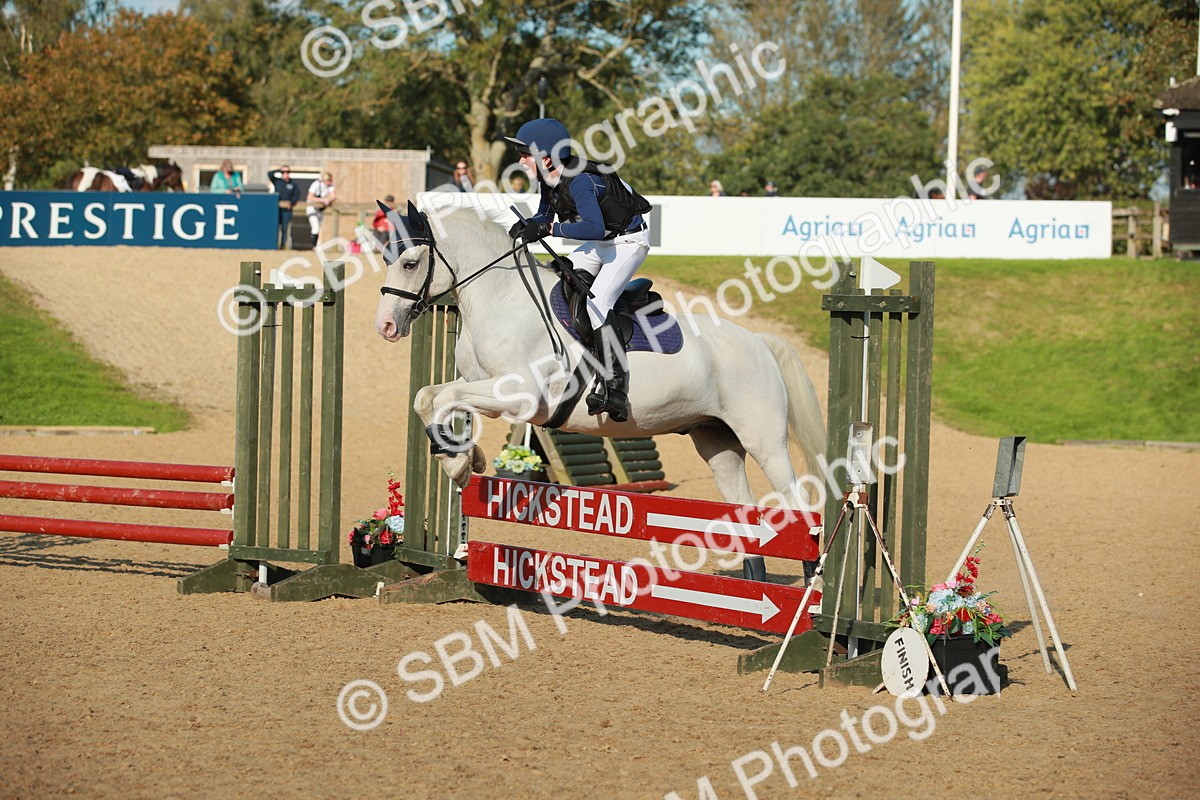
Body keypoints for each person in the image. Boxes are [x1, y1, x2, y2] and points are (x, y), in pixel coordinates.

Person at [504, 117, 652, 422]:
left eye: (524, 154)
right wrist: (531, 225)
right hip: (604, 243)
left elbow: (594, 228)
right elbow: (545, 214)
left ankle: (616, 389)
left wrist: (550, 229)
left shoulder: (581, 181)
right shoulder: (549, 178)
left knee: (598, 302)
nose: (520, 160)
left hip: (627, 243)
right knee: (566, 281)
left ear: (545, 158)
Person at [268, 165, 302, 249]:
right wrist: (279, 169)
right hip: (277, 209)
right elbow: (269, 174)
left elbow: (297, 195)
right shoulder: (277, 181)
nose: (285, 174)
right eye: (283, 172)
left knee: (285, 228)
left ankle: (283, 245)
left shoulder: (293, 183)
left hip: (287, 210)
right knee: (275, 227)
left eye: (287, 172)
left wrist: (291, 203)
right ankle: (274, 245)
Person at [305, 172, 336, 247]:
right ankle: (313, 246)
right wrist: (322, 200)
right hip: (312, 207)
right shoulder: (316, 184)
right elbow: (309, 197)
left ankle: (316, 245)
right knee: (315, 227)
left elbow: (333, 196)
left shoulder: (330, 186)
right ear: (325, 180)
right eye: (329, 180)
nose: (330, 182)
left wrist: (328, 200)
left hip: (320, 209)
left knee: (318, 227)